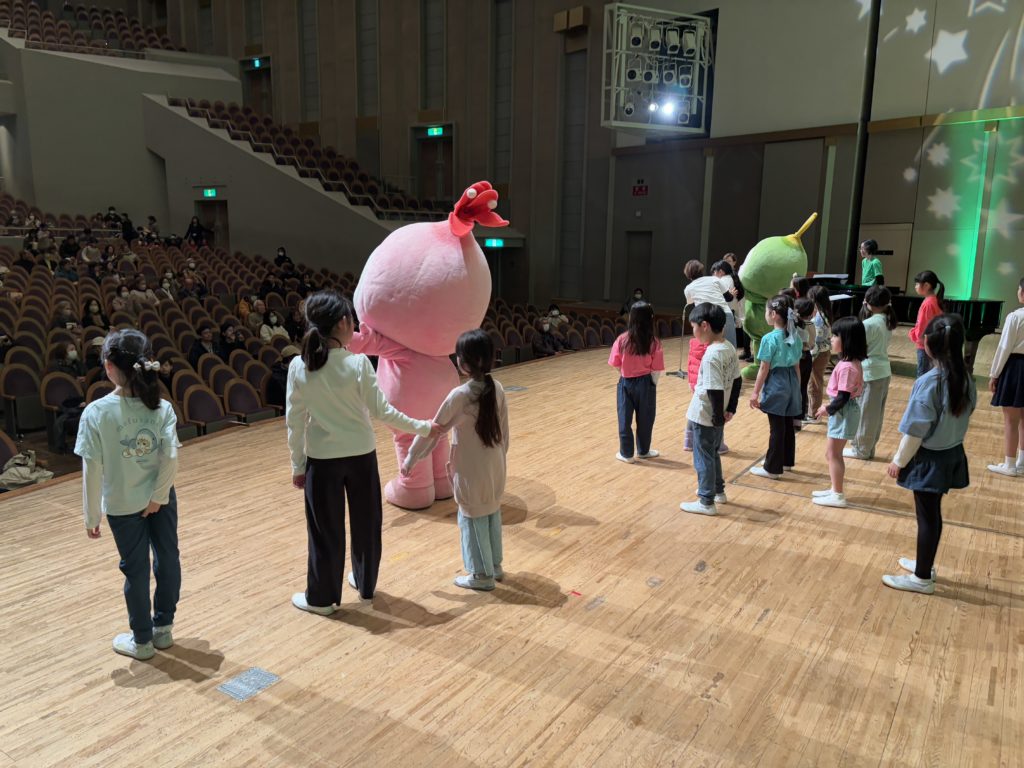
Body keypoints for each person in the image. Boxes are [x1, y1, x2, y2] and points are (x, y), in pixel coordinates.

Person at [285, 291, 440, 613]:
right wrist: (424, 427)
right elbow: (383, 412)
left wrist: (298, 465)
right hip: (361, 457)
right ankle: (366, 584)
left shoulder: (299, 366)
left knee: (324, 531)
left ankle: (322, 599)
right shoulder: (358, 364)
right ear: (343, 323)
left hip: (321, 461)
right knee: (367, 524)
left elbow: (295, 422)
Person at [74, 329, 181, 659]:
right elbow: (170, 458)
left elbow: (92, 472)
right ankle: (163, 630)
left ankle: (142, 641)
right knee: (168, 559)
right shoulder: (162, 407)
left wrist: (92, 516)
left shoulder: (96, 413)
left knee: (135, 570)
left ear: (108, 366)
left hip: (122, 505)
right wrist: (158, 497)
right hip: (162, 500)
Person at [402, 329, 510, 591]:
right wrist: (499, 460)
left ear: (464, 362)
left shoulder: (460, 395)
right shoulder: (497, 388)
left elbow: (434, 429)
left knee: (471, 519)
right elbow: (505, 434)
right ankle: (495, 566)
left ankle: (481, 575)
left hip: (471, 470)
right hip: (495, 465)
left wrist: (410, 459)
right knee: (491, 513)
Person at [882, 314, 976, 594]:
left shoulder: (930, 382)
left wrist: (898, 461)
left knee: (928, 517)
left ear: (928, 345)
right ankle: (925, 563)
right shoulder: (966, 378)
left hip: (929, 459)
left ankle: (922, 577)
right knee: (931, 514)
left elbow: (916, 431)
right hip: (952, 451)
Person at [679, 303, 742, 516]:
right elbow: (737, 380)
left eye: (694, 327)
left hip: (705, 415)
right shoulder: (729, 347)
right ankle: (718, 491)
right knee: (712, 453)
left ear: (704, 326)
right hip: (719, 413)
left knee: (703, 456)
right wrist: (730, 408)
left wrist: (716, 416)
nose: (693, 332)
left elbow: (714, 388)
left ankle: (706, 501)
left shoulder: (711, 355)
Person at [811, 316, 867, 507]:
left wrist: (827, 408)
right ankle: (835, 488)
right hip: (844, 410)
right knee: (831, 454)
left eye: (835, 336)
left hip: (843, 412)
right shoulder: (850, 363)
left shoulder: (847, 368)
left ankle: (838, 494)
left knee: (833, 454)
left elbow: (843, 396)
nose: (831, 339)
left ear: (847, 340)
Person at [748, 294, 803, 479]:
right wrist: (797, 389)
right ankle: (786, 461)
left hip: (777, 382)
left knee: (777, 428)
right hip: (792, 382)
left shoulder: (769, 338)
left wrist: (755, 393)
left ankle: (772, 468)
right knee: (787, 424)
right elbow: (797, 366)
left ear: (773, 314)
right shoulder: (795, 337)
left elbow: (764, 368)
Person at [608, 301, 665, 463]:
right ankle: (643, 450)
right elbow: (656, 369)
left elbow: (615, 363)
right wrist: (651, 384)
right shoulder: (654, 341)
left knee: (624, 418)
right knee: (646, 418)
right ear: (650, 318)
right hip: (646, 382)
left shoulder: (622, 340)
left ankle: (626, 454)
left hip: (626, 382)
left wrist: (626, 373)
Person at [847, 286, 897, 459]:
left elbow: (856, 348)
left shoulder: (868, 324)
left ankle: (861, 449)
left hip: (870, 372)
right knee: (875, 414)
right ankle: (868, 448)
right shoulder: (886, 320)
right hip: (882, 371)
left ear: (868, 303)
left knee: (866, 413)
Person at [987, 277, 1024, 477]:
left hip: (1016, 368)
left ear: (1022, 293)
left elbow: (1004, 347)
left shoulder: (1015, 317)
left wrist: (994, 374)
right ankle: (1022, 462)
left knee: (1011, 420)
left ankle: (1010, 464)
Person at [684, 260, 736, 347]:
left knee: (710, 348)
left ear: (688, 275)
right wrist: (732, 295)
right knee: (730, 347)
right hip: (725, 313)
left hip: (707, 319)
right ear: (701, 270)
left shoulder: (688, 288)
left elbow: (690, 302)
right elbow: (728, 298)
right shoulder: (714, 279)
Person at [805, 285, 833, 421]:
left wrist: (809, 356)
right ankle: (813, 412)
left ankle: (814, 414)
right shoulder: (825, 313)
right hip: (823, 352)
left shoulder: (818, 318)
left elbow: (816, 341)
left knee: (814, 385)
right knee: (816, 383)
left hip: (818, 354)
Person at [909, 270, 944, 377]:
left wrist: (913, 334)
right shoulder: (934, 300)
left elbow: (922, 330)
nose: (915, 287)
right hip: (932, 345)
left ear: (927, 285)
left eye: (917, 284)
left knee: (922, 376)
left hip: (925, 347)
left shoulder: (928, 304)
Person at [715, 257, 749, 359]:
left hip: (725, 311)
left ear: (721, 271)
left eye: (715, 271)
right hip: (732, 310)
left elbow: (723, 297)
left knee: (724, 339)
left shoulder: (724, 280)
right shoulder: (731, 278)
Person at [794, 298, 815, 430]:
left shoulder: (796, 325)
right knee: (803, 388)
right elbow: (812, 344)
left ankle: (791, 417)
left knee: (794, 388)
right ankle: (799, 419)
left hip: (797, 358)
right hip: (808, 357)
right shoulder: (812, 324)